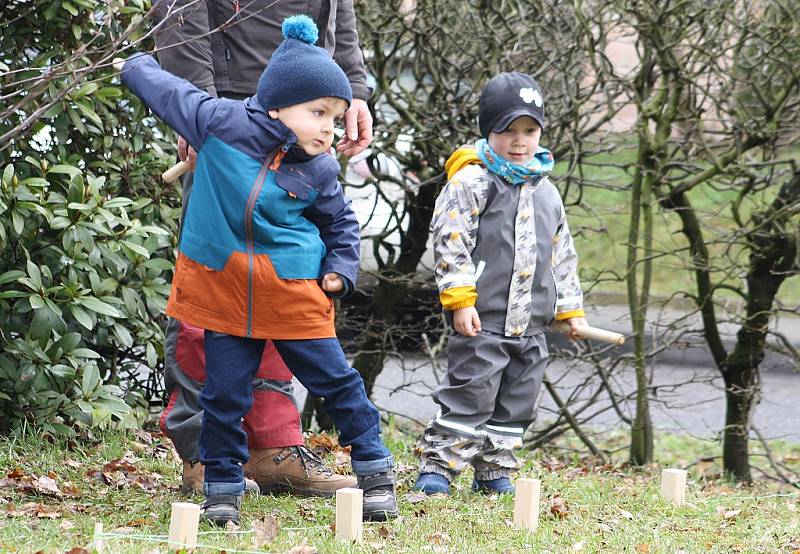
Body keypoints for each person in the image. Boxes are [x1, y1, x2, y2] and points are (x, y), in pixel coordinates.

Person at [119, 15, 397, 524]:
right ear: (277, 104)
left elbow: (340, 225)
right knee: (223, 395)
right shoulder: (220, 125)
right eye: (318, 113)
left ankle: (375, 469)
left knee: (339, 385)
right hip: (224, 295)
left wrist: (340, 269)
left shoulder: (319, 168)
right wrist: (133, 65)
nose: (328, 129)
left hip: (293, 295)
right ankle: (223, 485)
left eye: (335, 117)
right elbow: (173, 93)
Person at [413, 72, 587, 496]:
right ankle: (439, 467)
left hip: (532, 324)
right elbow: (450, 240)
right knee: (469, 392)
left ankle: (494, 470)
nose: (519, 141)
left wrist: (568, 308)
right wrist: (459, 299)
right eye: (507, 131)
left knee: (516, 401)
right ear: (488, 131)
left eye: (529, 131)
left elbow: (561, 253)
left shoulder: (546, 191)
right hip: (483, 317)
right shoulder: (472, 182)